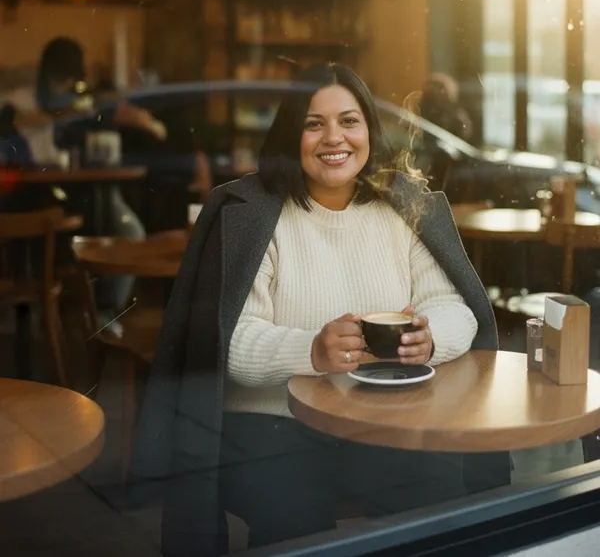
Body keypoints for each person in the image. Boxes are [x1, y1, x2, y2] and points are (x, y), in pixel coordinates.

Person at [129, 63, 504, 557]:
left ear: (369, 129)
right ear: (292, 134)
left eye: (349, 121)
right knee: (295, 525)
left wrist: (429, 338)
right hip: (270, 423)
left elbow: (454, 305)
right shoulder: (254, 214)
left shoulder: (400, 209)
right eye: (314, 123)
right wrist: (312, 350)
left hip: (379, 419)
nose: (335, 138)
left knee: (437, 491)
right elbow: (231, 339)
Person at [419, 72, 473, 141]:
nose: (436, 92)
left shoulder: (455, 112)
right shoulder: (422, 108)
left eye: (440, 88)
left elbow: (464, 133)